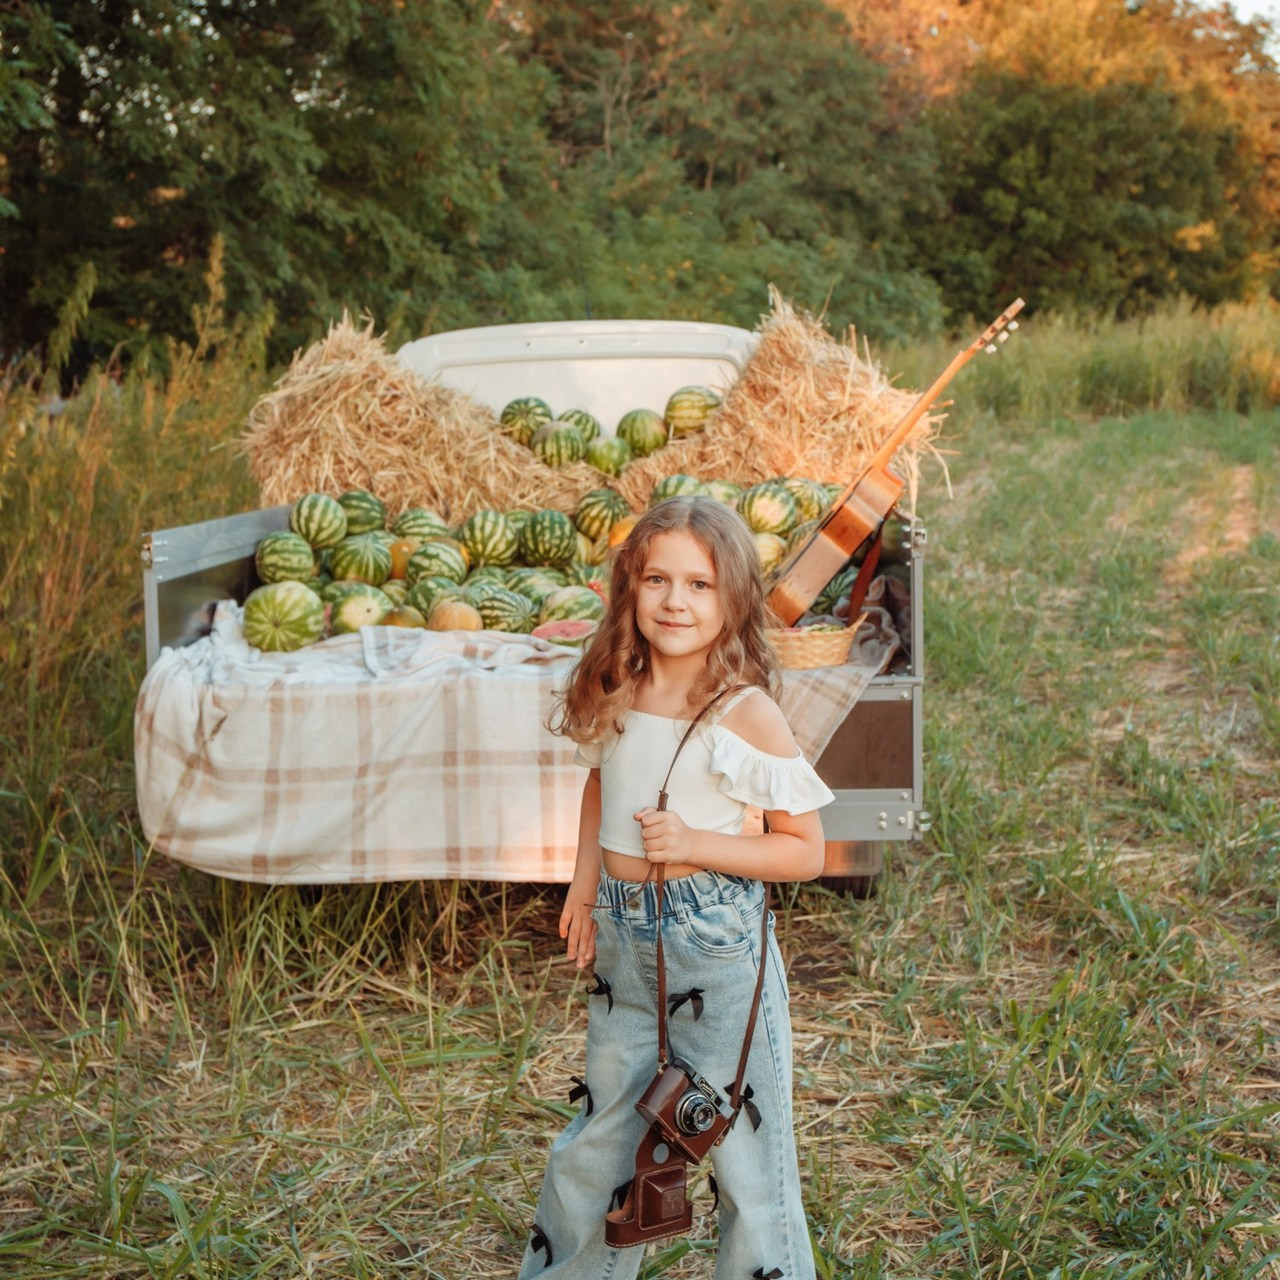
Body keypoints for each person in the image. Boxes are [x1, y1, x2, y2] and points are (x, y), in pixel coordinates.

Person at [519, 495, 834, 1280]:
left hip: (717, 950)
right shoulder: (618, 683)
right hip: (628, 942)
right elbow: (599, 788)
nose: (674, 601)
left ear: (733, 598)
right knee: (600, 1140)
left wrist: (698, 843)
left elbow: (806, 852)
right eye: (656, 579)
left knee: (747, 1159)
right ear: (629, 587)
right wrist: (585, 887)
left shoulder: (743, 711)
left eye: (698, 585)